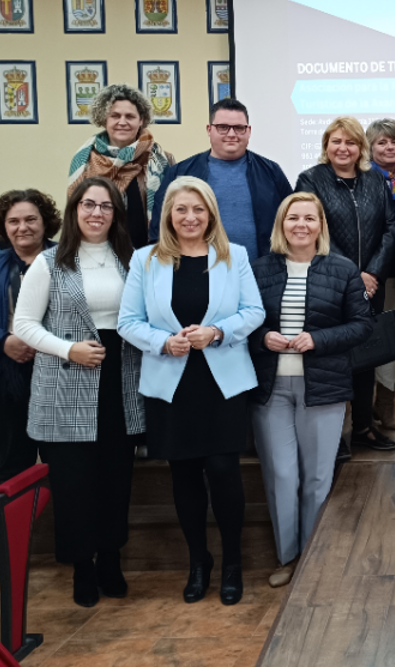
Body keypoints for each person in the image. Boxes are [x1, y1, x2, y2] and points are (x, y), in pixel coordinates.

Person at [118, 177, 265, 605]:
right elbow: (128, 322)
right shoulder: (145, 260)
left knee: (223, 472)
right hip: (171, 382)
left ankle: (233, 562)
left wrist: (219, 331)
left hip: (222, 381)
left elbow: (254, 311)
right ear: (167, 215)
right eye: (181, 209)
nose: (190, 217)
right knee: (183, 477)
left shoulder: (233, 256)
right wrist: (163, 341)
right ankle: (199, 562)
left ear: (212, 214)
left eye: (199, 210)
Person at [13, 178, 142, 607]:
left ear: (116, 214)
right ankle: (81, 568)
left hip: (119, 385)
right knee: (73, 485)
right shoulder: (49, 263)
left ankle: (110, 560)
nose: (96, 213)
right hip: (65, 385)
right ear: (74, 211)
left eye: (106, 207)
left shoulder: (133, 260)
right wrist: (70, 349)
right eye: (88, 205)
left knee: (115, 481)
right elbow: (25, 325)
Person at [249, 193, 373, 588]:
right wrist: (262, 336)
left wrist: (318, 339)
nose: (300, 225)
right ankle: (288, 557)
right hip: (271, 387)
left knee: (318, 477)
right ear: (281, 225)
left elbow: (362, 325)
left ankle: (313, 558)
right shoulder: (258, 270)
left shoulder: (342, 269)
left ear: (321, 225)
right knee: (281, 475)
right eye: (292, 218)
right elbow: (241, 322)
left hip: (323, 386)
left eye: (309, 218)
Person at [295, 117, 395, 457]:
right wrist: (354, 274)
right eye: (336, 141)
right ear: (326, 145)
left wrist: (373, 272)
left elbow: (390, 228)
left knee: (367, 354)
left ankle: (364, 428)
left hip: (373, 282)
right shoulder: (311, 180)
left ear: (360, 148)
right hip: (328, 282)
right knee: (333, 357)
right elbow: (311, 229)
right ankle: (333, 434)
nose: (343, 148)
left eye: (351, 142)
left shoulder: (374, 180)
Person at [150, 98, 292, 263]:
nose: (231, 134)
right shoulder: (181, 173)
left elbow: (291, 221)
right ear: (209, 130)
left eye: (239, 128)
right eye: (223, 127)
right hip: (198, 274)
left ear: (249, 131)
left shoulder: (271, 172)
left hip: (263, 275)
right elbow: (159, 228)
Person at [0, 190, 60, 483]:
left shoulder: (70, 259)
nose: (23, 227)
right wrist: (3, 342)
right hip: (8, 377)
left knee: (62, 464)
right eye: (14, 221)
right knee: (11, 464)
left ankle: (65, 528)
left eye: (31, 219)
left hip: (60, 376)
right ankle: (15, 530)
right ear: (3, 227)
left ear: (45, 222)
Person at [68, 84, 174, 248]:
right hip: (99, 255)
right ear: (104, 119)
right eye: (115, 116)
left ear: (141, 120)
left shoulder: (162, 160)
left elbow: (174, 210)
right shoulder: (84, 160)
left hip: (150, 254)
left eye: (130, 116)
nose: (122, 122)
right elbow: (74, 213)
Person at [365, 119, 395, 429]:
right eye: (381, 142)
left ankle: (385, 404)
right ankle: (364, 408)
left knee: (387, 337)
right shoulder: (364, 181)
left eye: (394, 141)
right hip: (366, 274)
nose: (389, 147)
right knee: (366, 338)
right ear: (369, 148)